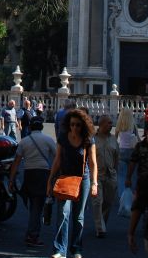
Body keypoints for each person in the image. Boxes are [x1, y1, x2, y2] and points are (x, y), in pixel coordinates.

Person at [47, 109, 98, 258]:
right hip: (65, 179)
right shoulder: (63, 137)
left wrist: (95, 183)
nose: (74, 128)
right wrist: (50, 180)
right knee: (63, 213)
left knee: (78, 216)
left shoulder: (88, 139)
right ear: (68, 125)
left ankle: (76, 249)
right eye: (72, 125)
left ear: (83, 125)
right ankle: (59, 250)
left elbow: (93, 163)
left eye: (77, 125)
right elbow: (57, 160)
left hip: (83, 180)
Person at [9, 116, 56, 247]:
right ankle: (32, 235)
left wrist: (11, 180)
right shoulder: (48, 140)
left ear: (30, 127)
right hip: (43, 174)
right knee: (37, 206)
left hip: (29, 174)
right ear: (41, 127)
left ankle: (32, 232)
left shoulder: (24, 141)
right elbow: (58, 157)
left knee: (33, 206)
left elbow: (16, 162)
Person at [92, 114, 119, 238]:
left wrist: (116, 173)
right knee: (98, 201)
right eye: (108, 123)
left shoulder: (113, 139)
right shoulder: (93, 139)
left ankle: (102, 222)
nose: (111, 125)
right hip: (97, 175)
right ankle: (100, 228)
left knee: (108, 202)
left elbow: (116, 157)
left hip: (111, 175)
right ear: (101, 124)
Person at [125, 119, 148, 189]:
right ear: (147, 132)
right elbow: (132, 162)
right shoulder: (140, 146)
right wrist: (128, 178)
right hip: (143, 180)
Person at [116, 108, 139, 192]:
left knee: (122, 176)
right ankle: (131, 195)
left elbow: (115, 140)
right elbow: (139, 140)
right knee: (132, 175)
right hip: (132, 152)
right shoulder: (133, 125)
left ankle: (122, 195)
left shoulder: (119, 125)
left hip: (121, 151)